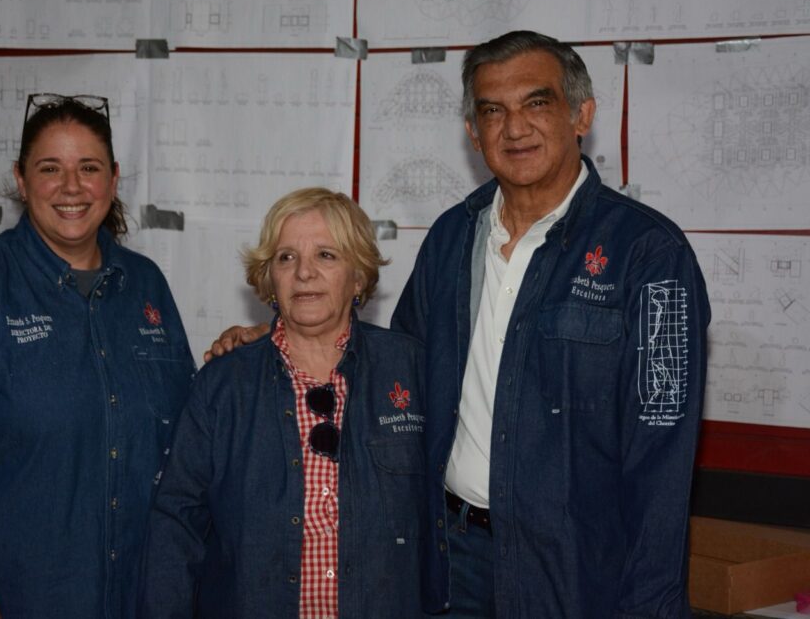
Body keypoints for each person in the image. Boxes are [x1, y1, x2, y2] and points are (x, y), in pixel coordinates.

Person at [207, 31, 710, 618]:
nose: (514, 128)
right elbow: (391, 367)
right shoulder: (452, 237)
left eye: (536, 103)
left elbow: (662, 467)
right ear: (473, 132)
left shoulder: (650, 255)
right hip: (454, 561)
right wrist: (282, 340)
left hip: (579, 572)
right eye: (493, 111)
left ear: (582, 115)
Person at [0, 94, 195, 618]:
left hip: (132, 594)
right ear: (21, 179)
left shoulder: (146, 285)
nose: (71, 186)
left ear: (113, 180)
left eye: (89, 168)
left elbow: (187, 433)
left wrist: (245, 358)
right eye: (50, 168)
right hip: (13, 594)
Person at [140, 188, 427, 619]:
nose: (304, 272)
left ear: (358, 277)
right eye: (287, 257)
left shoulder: (411, 368)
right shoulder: (222, 386)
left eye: (326, 255)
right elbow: (175, 528)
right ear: (269, 279)